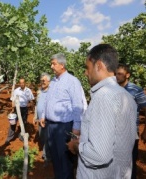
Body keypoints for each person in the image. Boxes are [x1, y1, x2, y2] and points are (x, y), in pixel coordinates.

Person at [67, 44, 137, 179]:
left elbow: (99, 155)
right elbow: (118, 139)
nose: (86, 73)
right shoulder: (125, 96)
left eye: (87, 68)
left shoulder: (103, 98)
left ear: (98, 65)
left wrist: (76, 146)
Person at [39, 53, 86, 179]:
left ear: (62, 65)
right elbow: (48, 99)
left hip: (63, 127)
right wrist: (44, 115)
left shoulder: (72, 81)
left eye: (54, 63)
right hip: (51, 126)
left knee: (64, 159)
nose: (51, 66)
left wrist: (76, 130)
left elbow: (78, 106)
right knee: (55, 157)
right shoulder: (53, 81)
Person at [116, 63, 146, 179]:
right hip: (114, 133)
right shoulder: (112, 89)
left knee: (130, 166)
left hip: (130, 134)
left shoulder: (135, 90)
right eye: (115, 74)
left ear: (127, 75)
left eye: (120, 74)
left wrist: (144, 131)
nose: (117, 76)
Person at [5, 77, 34, 144]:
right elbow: (13, 100)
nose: (22, 84)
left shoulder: (28, 91)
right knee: (13, 123)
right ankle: (9, 137)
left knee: (23, 123)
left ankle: (22, 136)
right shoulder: (16, 90)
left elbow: (31, 100)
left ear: (25, 83)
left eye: (23, 83)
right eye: (20, 83)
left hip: (24, 109)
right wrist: (12, 109)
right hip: (16, 109)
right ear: (19, 83)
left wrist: (32, 108)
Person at [33, 72, 51, 165]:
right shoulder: (40, 91)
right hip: (40, 119)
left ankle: (47, 156)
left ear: (49, 81)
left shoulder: (51, 92)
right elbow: (37, 105)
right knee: (42, 136)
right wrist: (35, 116)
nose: (42, 82)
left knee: (47, 138)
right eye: (41, 81)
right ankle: (46, 153)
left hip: (47, 120)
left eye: (44, 80)